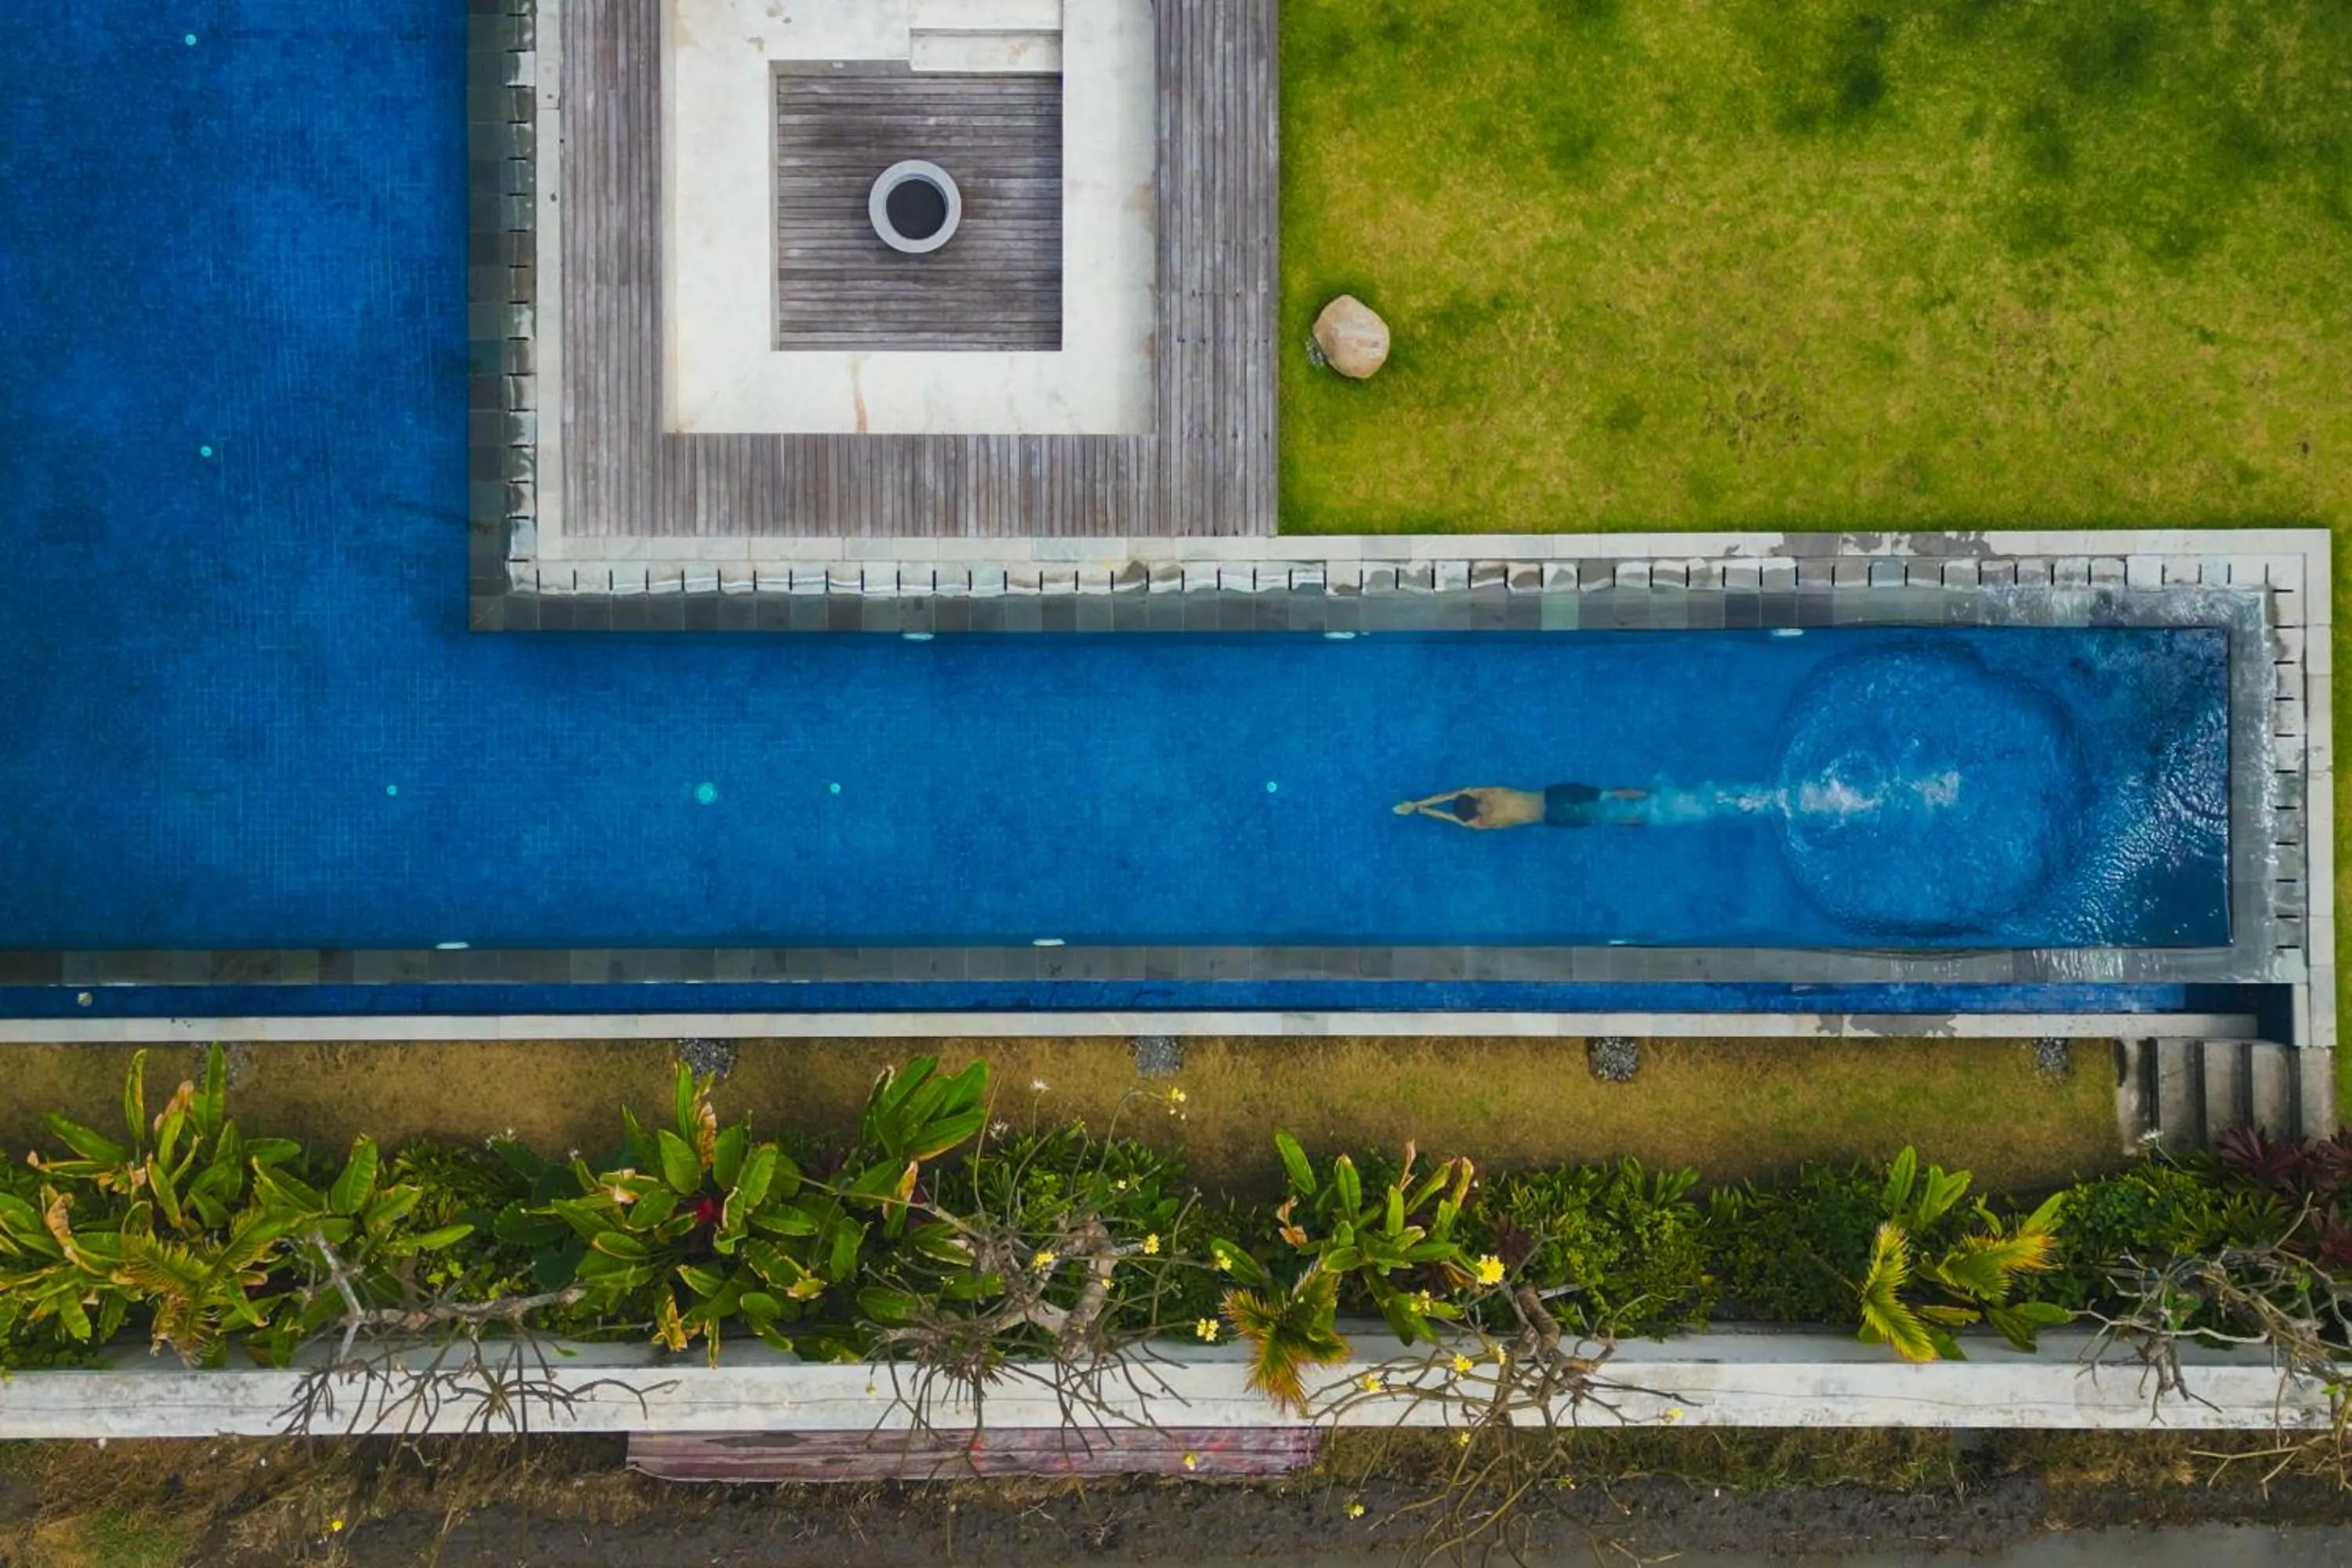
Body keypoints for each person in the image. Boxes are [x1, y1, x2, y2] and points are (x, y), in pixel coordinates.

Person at [1392, 782, 1648, 830]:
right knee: (1604, 795)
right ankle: (1646, 795)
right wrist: (1418, 804)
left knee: (1602, 818)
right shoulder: (1490, 793)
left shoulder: (1481, 823)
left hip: (1552, 816)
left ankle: (1644, 819)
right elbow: (1452, 794)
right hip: (1550, 796)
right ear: (1476, 800)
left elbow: (1453, 819)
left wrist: (1421, 810)